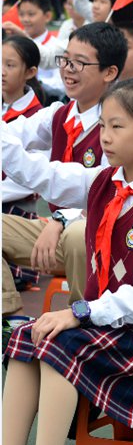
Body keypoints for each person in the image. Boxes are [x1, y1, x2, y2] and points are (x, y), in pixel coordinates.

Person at [1, 78, 133, 445]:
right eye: (102, 126)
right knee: (26, 335)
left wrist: (80, 311)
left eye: (116, 126)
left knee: (61, 341)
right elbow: (40, 173)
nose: (103, 137)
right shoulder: (104, 181)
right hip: (107, 327)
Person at [1, 23, 127, 308]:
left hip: (102, 233)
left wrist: (61, 220)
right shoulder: (59, 113)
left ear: (110, 72)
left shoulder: (118, 123)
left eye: (80, 63)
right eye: (66, 59)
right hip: (57, 232)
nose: (68, 69)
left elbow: (103, 191)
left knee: (76, 233)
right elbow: (13, 133)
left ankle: (85, 326)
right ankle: (10, 319)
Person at [1, 36, 46, 315]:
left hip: (18, 209)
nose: (2, 71)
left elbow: (26, 179)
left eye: (10, 64)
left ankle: (7, 315)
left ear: (30, 72)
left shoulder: (36, 118)